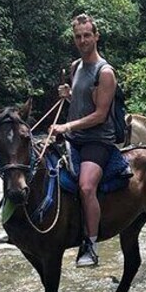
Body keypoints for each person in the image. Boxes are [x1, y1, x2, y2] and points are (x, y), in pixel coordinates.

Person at [52, 14, 118, 268]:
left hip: (98, 139)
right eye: (78, 36)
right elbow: (82, 105)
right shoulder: (75, 67)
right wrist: (69, 97)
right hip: (75, 136)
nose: (83, 40)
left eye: (87, 35)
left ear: (96, 36)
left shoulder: (105, 72)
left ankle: (90, 244)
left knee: (87, 187)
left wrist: (66, 126)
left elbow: (100, 115)